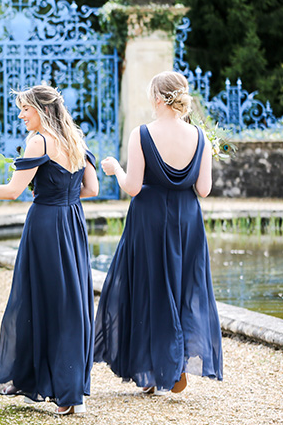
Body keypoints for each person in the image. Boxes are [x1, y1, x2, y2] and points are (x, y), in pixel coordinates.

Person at [0, 85, 99, 415]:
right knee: (70, 301)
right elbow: (92, 188)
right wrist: (66, 197)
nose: (21, 116)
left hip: (46, 225)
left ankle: (57, 388)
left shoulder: (40, 141)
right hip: (72, 222)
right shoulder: (75, 139)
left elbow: (12, 190)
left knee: (44, 301)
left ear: (43, 111)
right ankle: (72, 390)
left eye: (25, 110)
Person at [94, 71, 222, 394]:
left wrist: (115, 170)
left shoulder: (141, 134)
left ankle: (150, 369)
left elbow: (133, 187)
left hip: (149, 217)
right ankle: (174, 365)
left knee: (148, 288)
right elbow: (204, 189)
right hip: (186, 220)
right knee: (181, 287)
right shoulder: (201, 137)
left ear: (156, 98)